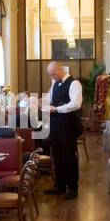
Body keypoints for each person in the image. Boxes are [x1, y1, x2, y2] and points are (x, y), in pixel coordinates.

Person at [42, 61, 83, 199]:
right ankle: (59, 185)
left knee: (69, 156)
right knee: (57, 155)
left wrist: (57, 109)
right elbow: (49, 98)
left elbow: (76, 104)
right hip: (55, 124)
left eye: (53, 74)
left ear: (60, 70)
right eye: (50, 75)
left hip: (68, 125)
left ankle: (72, 187)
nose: (52, 77)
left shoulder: (74, 84)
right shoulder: (55, 83)